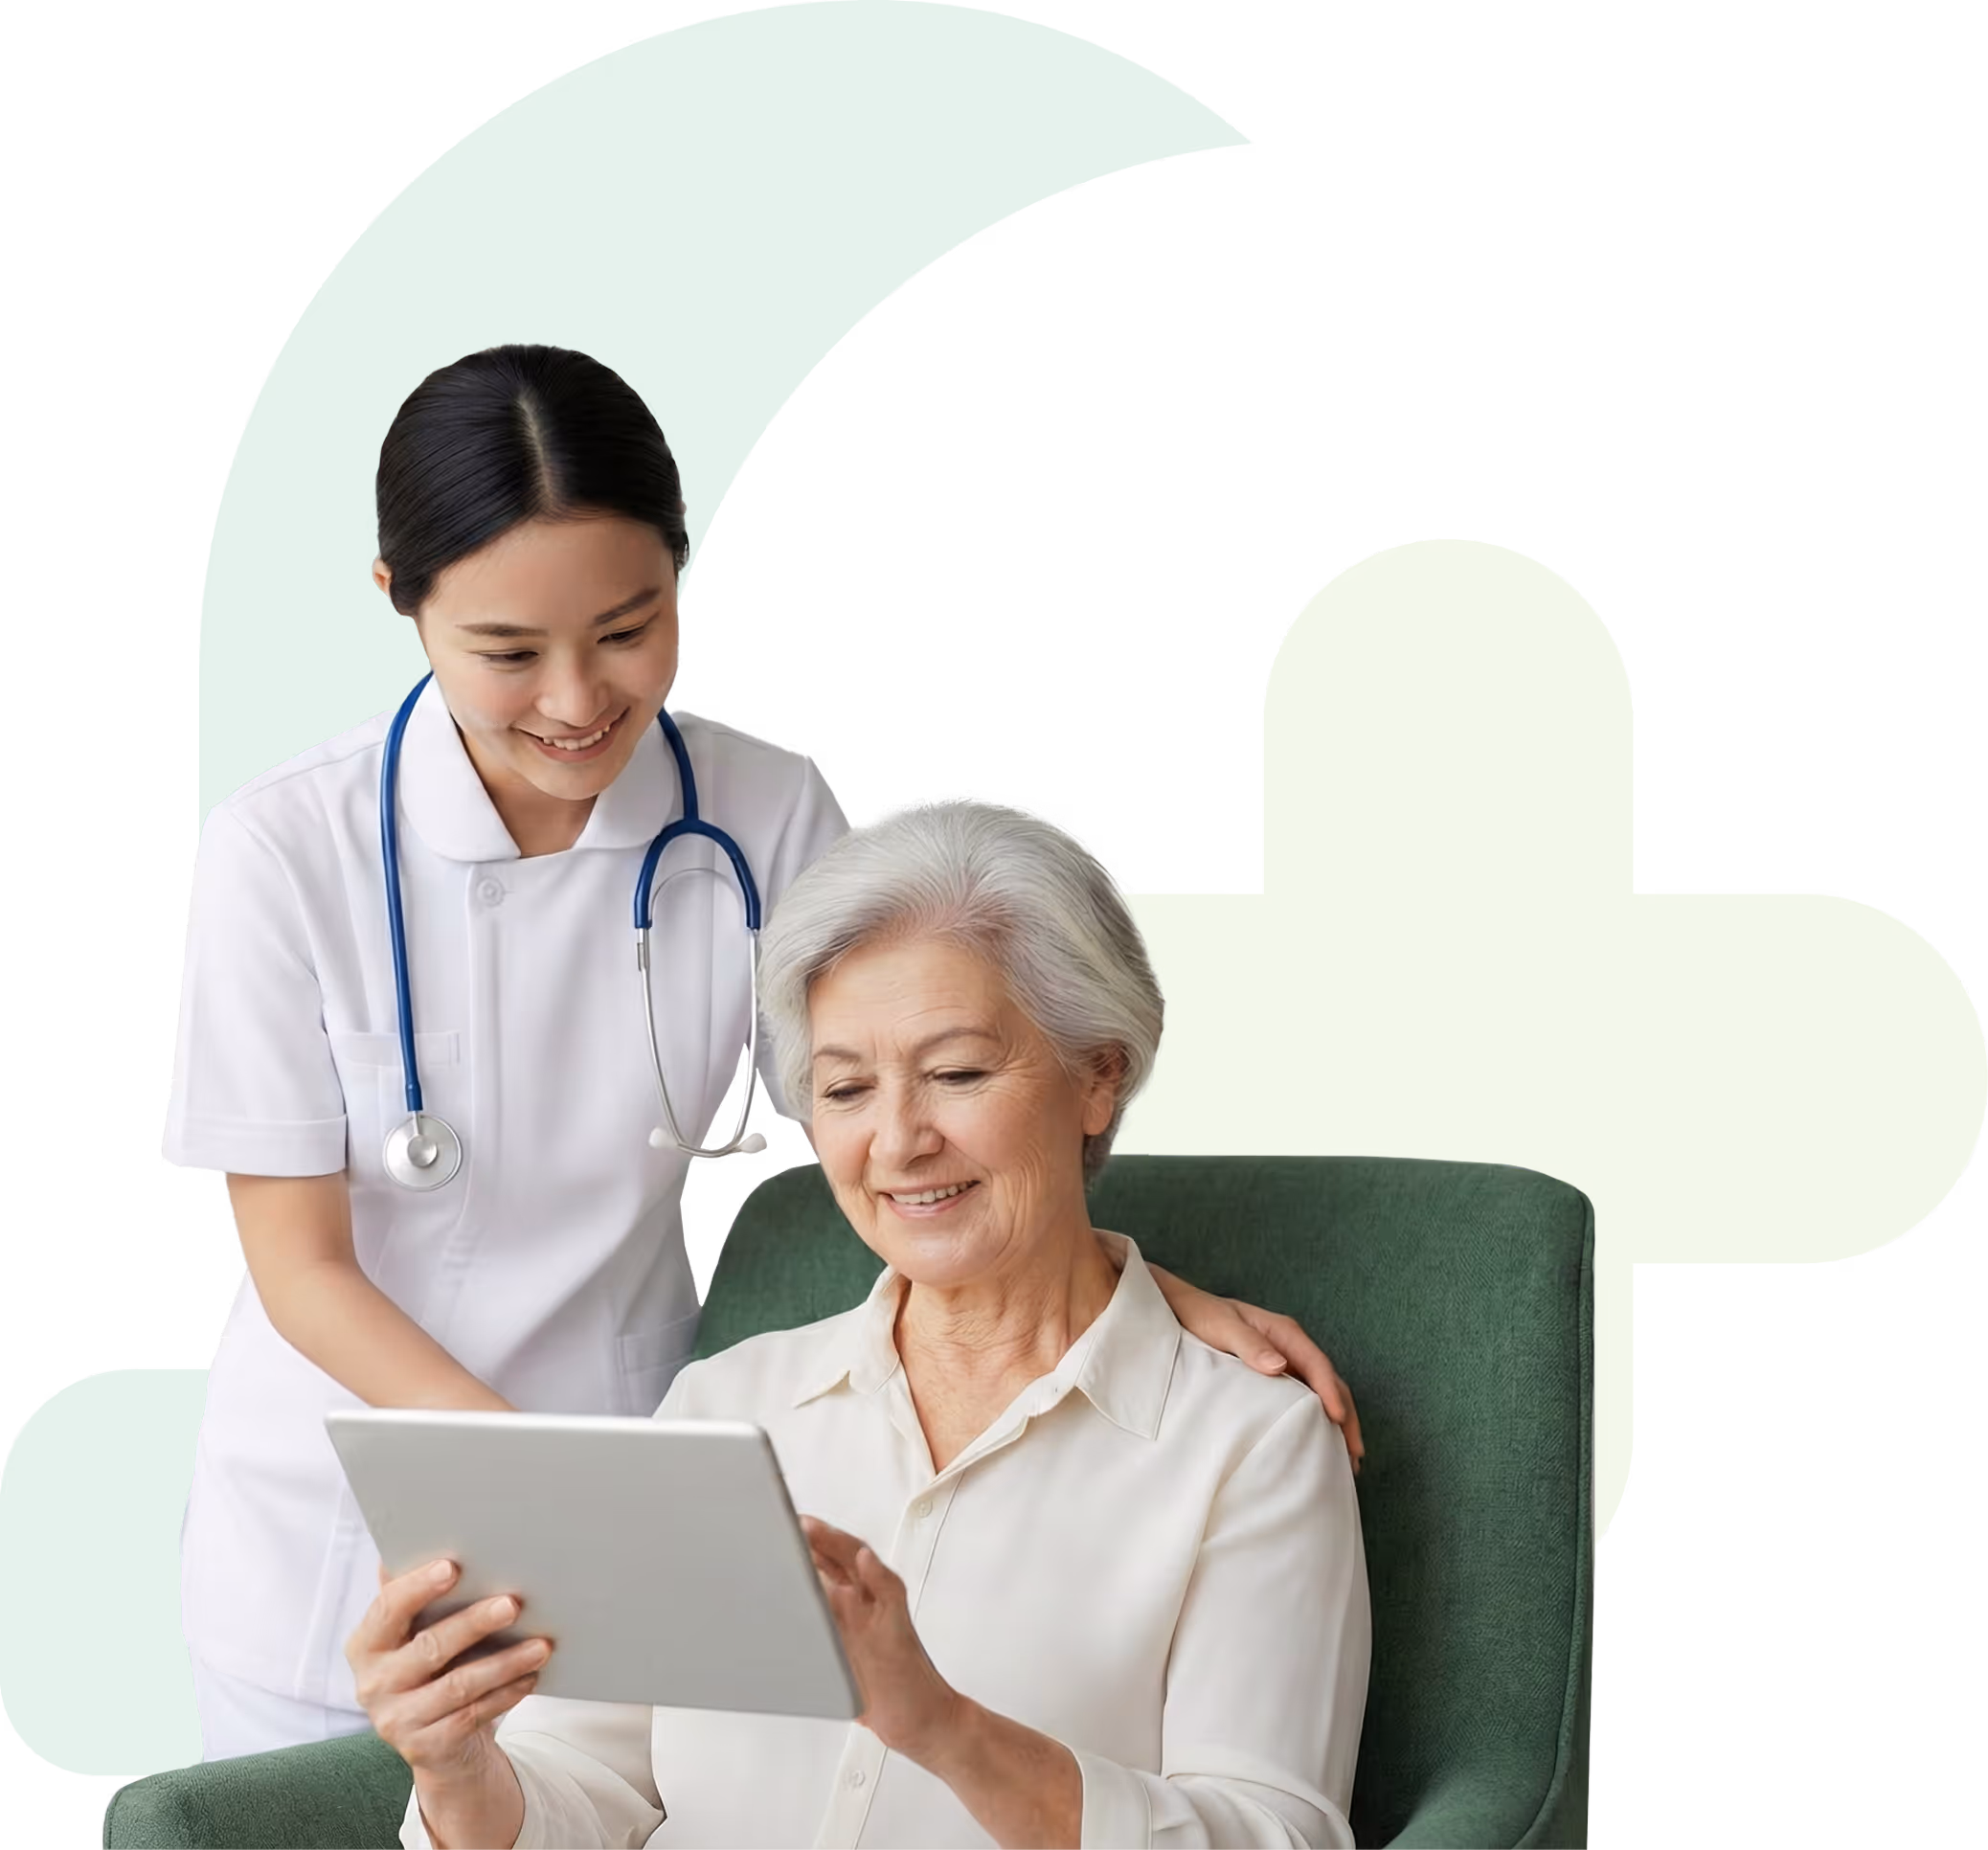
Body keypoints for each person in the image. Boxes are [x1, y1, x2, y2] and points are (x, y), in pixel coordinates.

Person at [166, 342, 1366, 1764]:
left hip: (650, 1469)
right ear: (398, 598)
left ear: (681, 569)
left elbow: (916, 1114)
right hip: (340, 1528)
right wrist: (543, 1497)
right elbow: (300, 1266)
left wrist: (1131, 1289)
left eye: (629, 628)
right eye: (505, 653)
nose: (575, 700)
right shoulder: (278, 848)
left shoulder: (762, 806)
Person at [351, 792, 1371, 1850]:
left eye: (957, 1074)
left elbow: (1272, 1836)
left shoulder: (1248, 1445)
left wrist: (942, 1729)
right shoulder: (728, 1404)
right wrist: (459, 1767)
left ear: (1099, 1075)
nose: (897, 1142)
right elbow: (589, 1785)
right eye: (845, 1091)